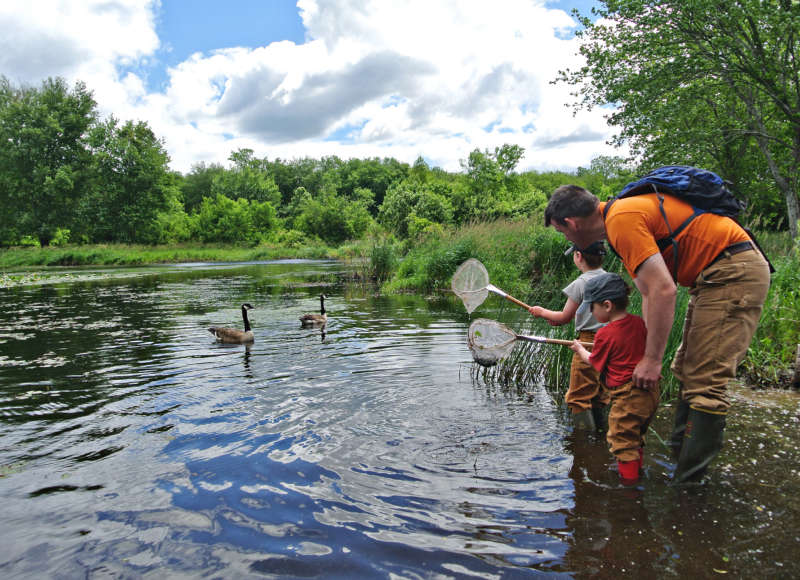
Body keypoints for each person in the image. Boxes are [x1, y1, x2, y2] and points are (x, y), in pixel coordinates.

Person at [544, 182, 770, 484]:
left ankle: (688, 487)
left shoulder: (621, 220)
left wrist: (651, 360)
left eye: (562, 232)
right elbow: (648, 293)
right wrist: (642, 357)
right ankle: (679, 464)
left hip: (731, 271)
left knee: (706, 382)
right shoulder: (617, 226)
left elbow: (664, 290)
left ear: (570, 223)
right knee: (685, 369)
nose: (566, 237)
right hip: (711, 277)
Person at [570, 272, 656, 486]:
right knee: (636, 437)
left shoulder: (605, 334)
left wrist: (580, 348)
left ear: (607, 305)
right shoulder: (639, 323)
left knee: (622, 441)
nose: (590, 311)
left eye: (592, 307)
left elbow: (593, 362)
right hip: (650, 394)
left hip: (627, 397)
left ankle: (629, 491)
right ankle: (635, 472)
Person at [528, 240, 610, 432]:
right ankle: (602, 440)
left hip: (587, 344)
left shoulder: (580, 283)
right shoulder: (611, 279)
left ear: (578, 257)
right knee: (601, 395)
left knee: (578, 398)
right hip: (610, 343)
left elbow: (564, 317)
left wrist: (541, 312)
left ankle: (584, 445)